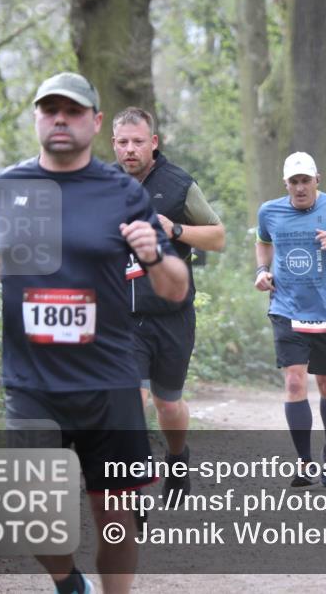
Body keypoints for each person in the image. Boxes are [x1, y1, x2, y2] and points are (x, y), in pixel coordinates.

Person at [0, 72, 189, 594]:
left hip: (108, 381)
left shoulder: (123, 192)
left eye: (73, 111)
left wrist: (153, 255)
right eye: (50, 110)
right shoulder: (8, 186)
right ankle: (69, 582)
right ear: (37, 117)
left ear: (95, 121)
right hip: (32, 382)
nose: (60, 119)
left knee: (115, 517)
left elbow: (175, 288)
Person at [112, 107, 225, 500]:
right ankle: (131, 490)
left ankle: (178, 456)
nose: (130, 150)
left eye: (138, 142)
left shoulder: (178, 185)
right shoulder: (101, 185)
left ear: (153, 143)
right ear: (113, 145)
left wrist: (174, 229)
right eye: (123, 142)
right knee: (132, 400)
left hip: (171, 316)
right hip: (123, 318)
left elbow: (218, 236)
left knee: (168, 403)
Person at [255, 152, 326, 487]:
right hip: (285, 306)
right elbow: (263, 243)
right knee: (294, 382)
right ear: (286, 184)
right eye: (294, 182)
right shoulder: (269, 211)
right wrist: (262, 271)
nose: (300, 187)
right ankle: (305, 462)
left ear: (317, 179)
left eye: (305, 180)